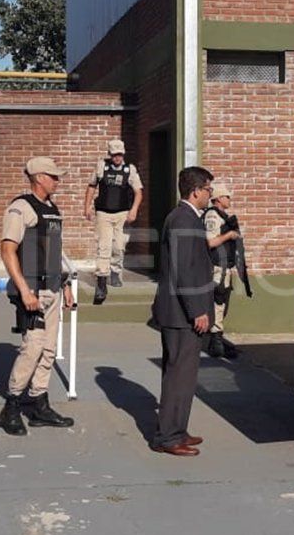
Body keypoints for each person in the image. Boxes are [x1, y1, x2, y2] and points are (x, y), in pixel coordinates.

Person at [0, 157, 76, 437]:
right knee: (33, 347)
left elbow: (53, 251)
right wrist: (24, 291)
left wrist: (65, 284)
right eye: (53, 176)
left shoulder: (52, 209)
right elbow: (7, 250)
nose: (57, 181)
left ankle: (39, 404)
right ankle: (11, 406)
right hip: (32, 291)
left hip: (53, 288)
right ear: (39, 177)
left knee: (49, 350)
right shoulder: (21, 208)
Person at [149, 166, 216, 456]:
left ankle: (177, 429)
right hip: (181, 314)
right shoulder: (183, 219)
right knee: (179, 375)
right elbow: (184, 270)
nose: (210, 194)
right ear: (196, 191)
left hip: (181, 311)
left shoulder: (187, 217)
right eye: (208, 189)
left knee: (183, 376)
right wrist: (197, 310)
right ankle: (168, 437)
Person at [84, 139, 143, 304]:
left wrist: (134, 210)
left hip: (122, 213)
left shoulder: (129, 170)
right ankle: (101, 283)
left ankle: (116, 270)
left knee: (118, 247)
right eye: (114, 154)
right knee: (104, 247)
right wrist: (87, 206)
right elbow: (91, 186)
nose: (117, 158)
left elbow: (138, 191)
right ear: (110, 154)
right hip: (103, 213)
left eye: (120, 154)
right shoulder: (102, 166)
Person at [203, 184, 242, 359]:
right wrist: (229, 235)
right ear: (218, 198)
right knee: (218, 301)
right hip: (218, 266)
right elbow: (210, 242)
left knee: (222, 302)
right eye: (227, 196)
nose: (229, 199)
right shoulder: (212, 215)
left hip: (225, 266)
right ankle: (215, 341)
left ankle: (217, 337)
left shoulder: (222, 216)